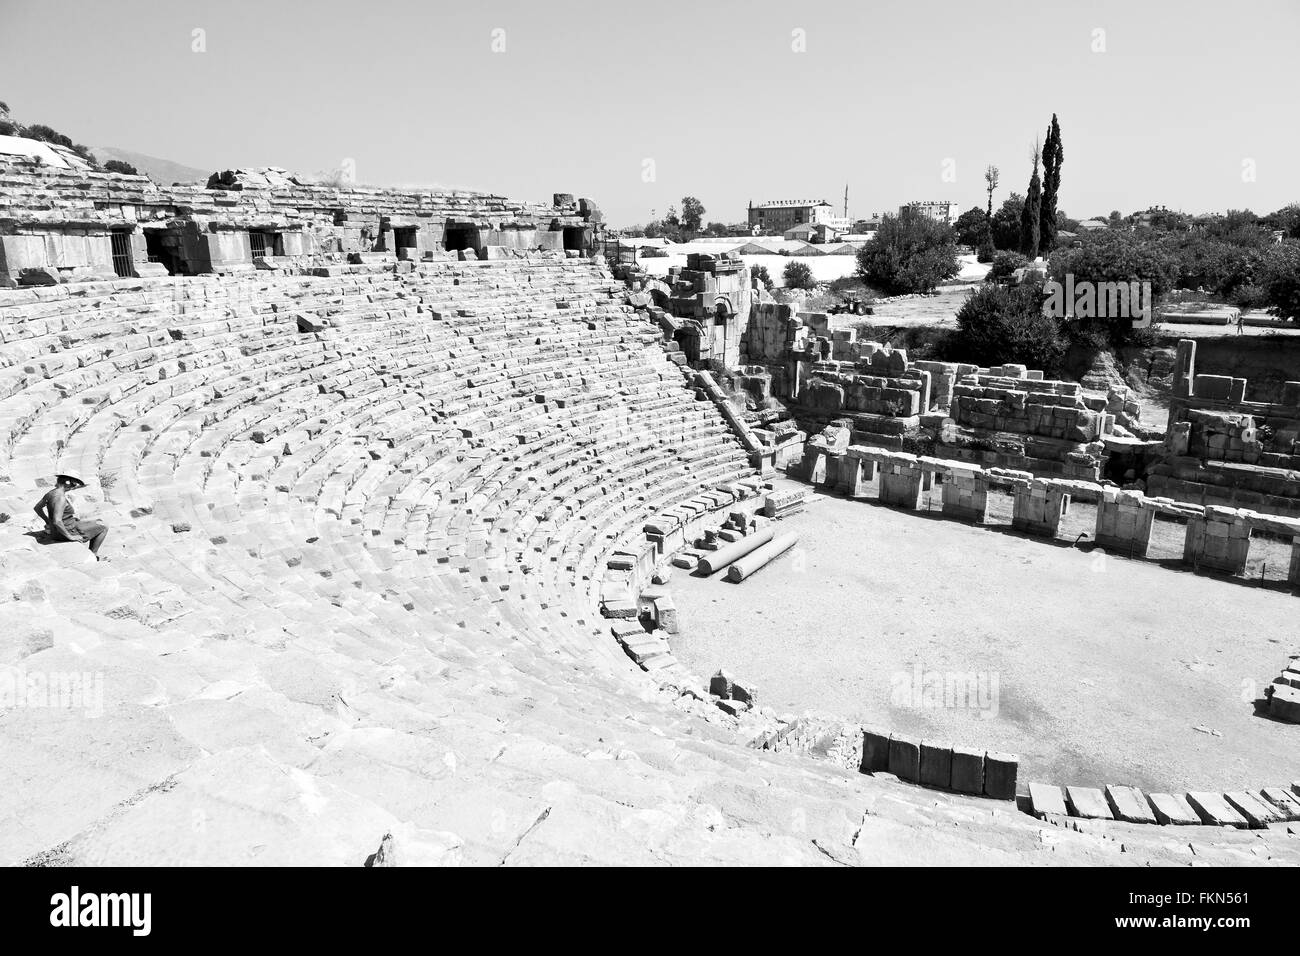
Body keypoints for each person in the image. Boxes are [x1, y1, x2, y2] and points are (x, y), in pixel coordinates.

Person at [33, 474, 109, 560]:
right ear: (67, 483)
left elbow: (37, 508)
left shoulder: (51, 493)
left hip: (58, 530)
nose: (74, 487)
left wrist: (47, 521)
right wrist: (70, 537)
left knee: (96, 520)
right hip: (65, 531)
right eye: (73, 484)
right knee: (104, 526)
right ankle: (93, 554)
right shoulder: (60, 498)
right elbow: (57, 521)